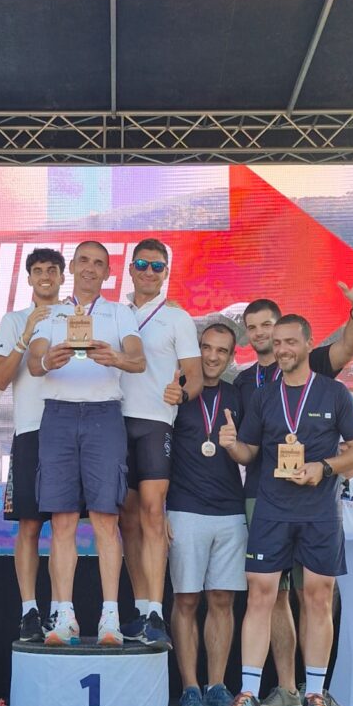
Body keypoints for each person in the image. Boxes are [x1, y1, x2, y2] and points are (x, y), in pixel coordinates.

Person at [233, 261, 353, 706]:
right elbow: (249, 452)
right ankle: (249, 694)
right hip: (271, 506)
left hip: (319, 508)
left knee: (317, 595)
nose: (281, 348)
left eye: (289, 341)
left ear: (308, 344)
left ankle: (315, 694)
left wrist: (324, 467)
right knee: (262, 594)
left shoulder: (333, 391)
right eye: (276, 343)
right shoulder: (258, 392)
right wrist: (230, 444)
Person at [28, 240, 145, 646]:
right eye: (84, 261)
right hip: (58, 415)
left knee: (105, 520)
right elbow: (34, 362)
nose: (90, 268)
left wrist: (115, 358)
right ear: (72, 268)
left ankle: (110, 616)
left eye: (98, 263)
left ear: (108, 272)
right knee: (61, 521)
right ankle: (65, 616)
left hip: (104, 415)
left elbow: (138, 359)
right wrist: (49, 361)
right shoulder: (52, 314)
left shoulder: (120, 313)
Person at [118, 238, 203, 650]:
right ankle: (140, 609)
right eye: (142, 264)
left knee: (153, 513)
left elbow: (195, 376)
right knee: (126, 519)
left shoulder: (177, 318)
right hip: (114, 421)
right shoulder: (114, 313)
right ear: (130, 269)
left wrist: (182, 393)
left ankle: (155, 610)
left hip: (155, 423)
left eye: (156, 266)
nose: (149, 272)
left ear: (166, 272)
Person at [166, 323, 248, 706]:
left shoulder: (238, 397)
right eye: (207, 348)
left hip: (230, 512)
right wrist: (159, 510)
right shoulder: (178, 392)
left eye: (221, 351)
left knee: (222, 600)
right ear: (196, 350)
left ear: (231, 357)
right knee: (186, 600)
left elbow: (250, 453)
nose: (213, 357)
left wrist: (235, 446)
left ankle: (216, 686)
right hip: (184, 509)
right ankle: (190, 689)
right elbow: (157, 451)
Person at [0, 248, 66, 641]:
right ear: (28, 278)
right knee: (30, 524)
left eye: (52, 270)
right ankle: (29, 611)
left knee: (65, 525)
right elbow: (0, 379)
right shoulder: (14, 320)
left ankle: (62, 611)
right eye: (38, 271)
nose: (45, 276)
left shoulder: (76, 316)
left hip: (71, 428)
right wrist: (26, 336)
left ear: (62, 276)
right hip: (30, 430)